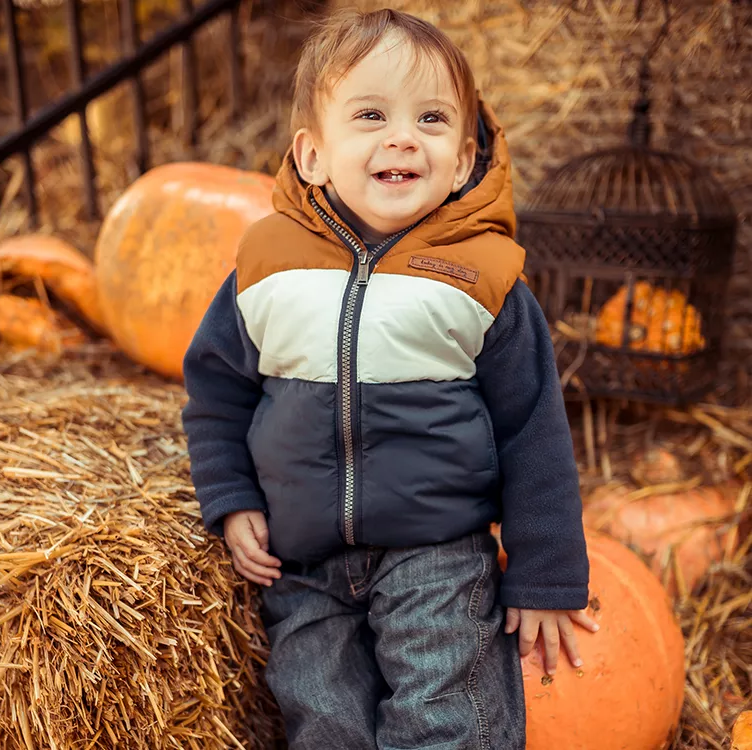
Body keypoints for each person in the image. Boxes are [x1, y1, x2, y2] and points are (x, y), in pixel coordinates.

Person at [182, 8, 597, 748]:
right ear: (312, 154)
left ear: (466, 156)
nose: (402, 136)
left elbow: (534, 428)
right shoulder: (267, 265)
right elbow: (217, 394)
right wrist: (230, 497)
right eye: (371, 114)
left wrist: (546, 576)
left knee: (446, 716)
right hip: (302, 561)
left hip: (438, 555)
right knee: (321, 718)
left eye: (431, 119)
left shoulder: (483, 277)